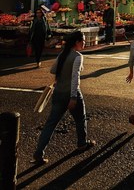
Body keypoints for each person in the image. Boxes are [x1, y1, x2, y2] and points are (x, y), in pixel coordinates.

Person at [31, 31, 95, 164]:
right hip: (71, 93)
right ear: (77, 42)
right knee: (80, 119)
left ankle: (39, 152)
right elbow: (75, 78)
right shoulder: (78, 57)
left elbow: (53, 70)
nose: (84, 43)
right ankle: (82, 143)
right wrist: (73, 97)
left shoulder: (62, 54)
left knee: (50, 124)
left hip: (58, 92)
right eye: (82, 40)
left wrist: (62, 73)